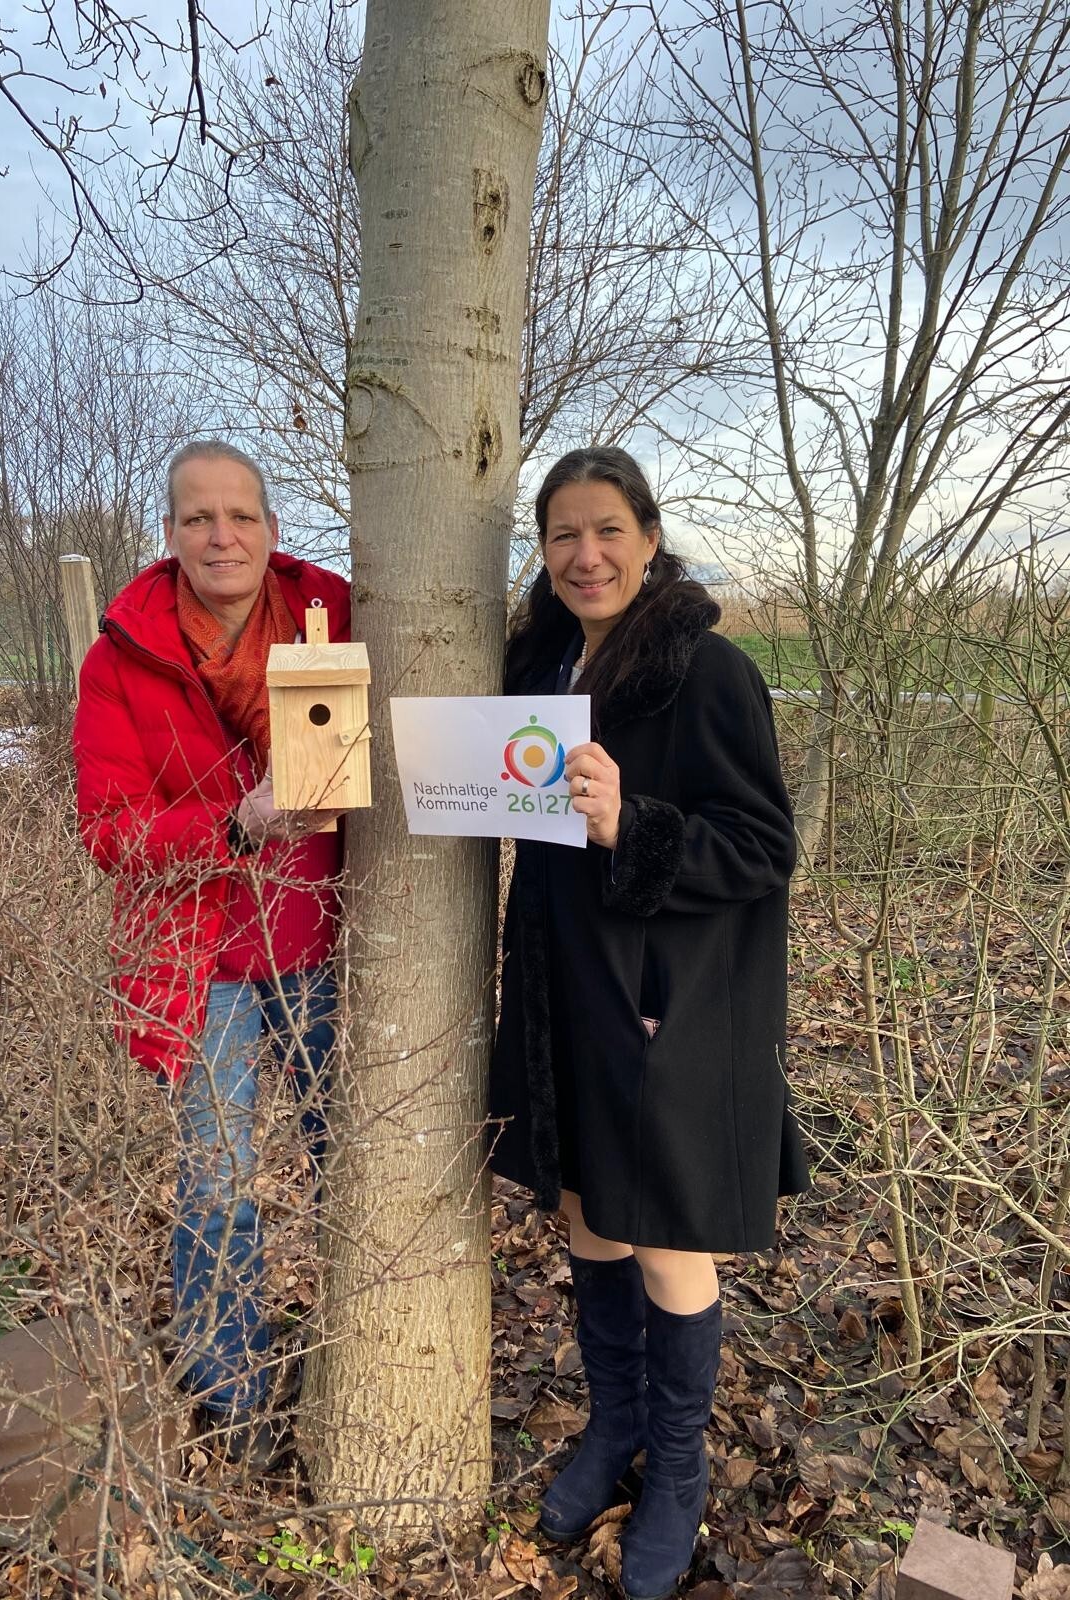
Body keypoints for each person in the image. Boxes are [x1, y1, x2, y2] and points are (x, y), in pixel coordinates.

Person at [489, 447, 809, 1600]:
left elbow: (764, 846)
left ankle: (676, 1467)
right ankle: (614, 1422)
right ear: (544, 550)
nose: (586, 555)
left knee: (667, 1233)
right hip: (562, 986)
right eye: (563, 535)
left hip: (665, 1000)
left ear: (649, 536)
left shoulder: (706, 670)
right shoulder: (537, 664)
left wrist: (638, 823)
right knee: (586, 1210)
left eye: (607, 530)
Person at [73, 440, 347, 1457]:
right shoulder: (122, 655)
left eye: (239, 515)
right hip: (202, 967)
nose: (220, 535)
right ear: (170, 534)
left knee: (353, 1161)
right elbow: (108, 829)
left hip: (329, 946)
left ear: (272, 529)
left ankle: (364, 1358)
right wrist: (235, 824)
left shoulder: (334, 613)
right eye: (198, 518)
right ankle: (233, 1392)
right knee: (220, 1184)